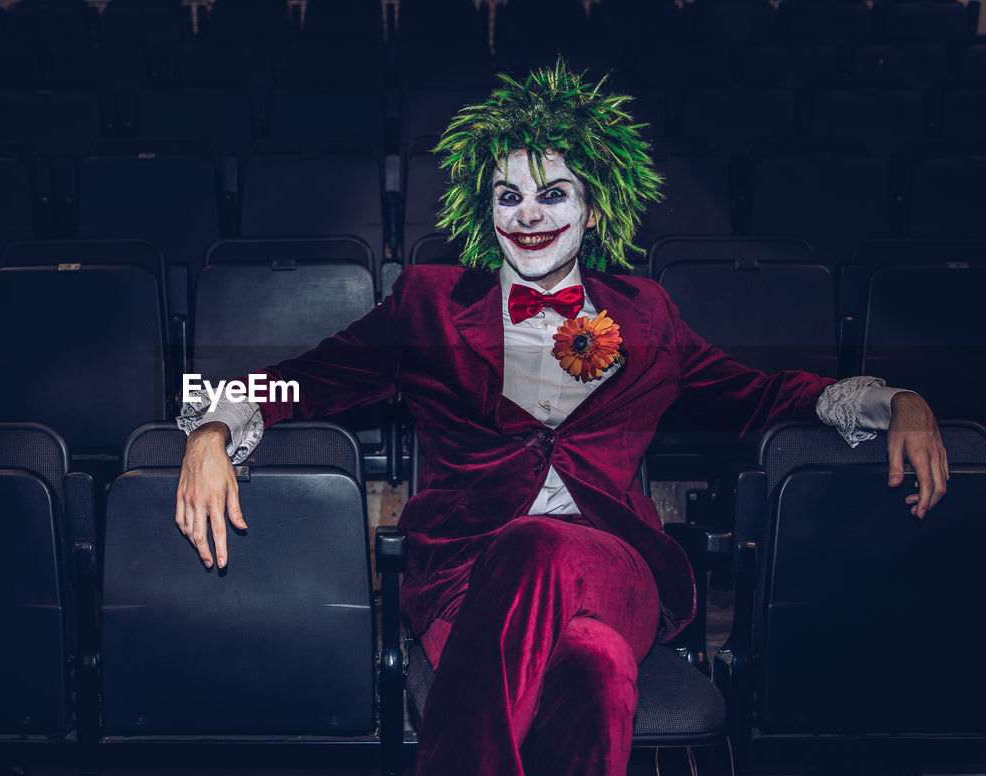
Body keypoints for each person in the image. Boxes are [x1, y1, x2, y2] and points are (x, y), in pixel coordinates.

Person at [174, 61, 949, 775]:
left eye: (555, 193)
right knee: (599, 670)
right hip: (464, 583)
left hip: (616, 567)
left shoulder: (648, 314)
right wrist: (213, 426)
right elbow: (306, 381)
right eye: (508, 196)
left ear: (592, 206)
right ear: (486, 212)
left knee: (543, 542)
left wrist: (898, 401)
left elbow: (763, 395)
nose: (529, 216)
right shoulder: (429, 304)